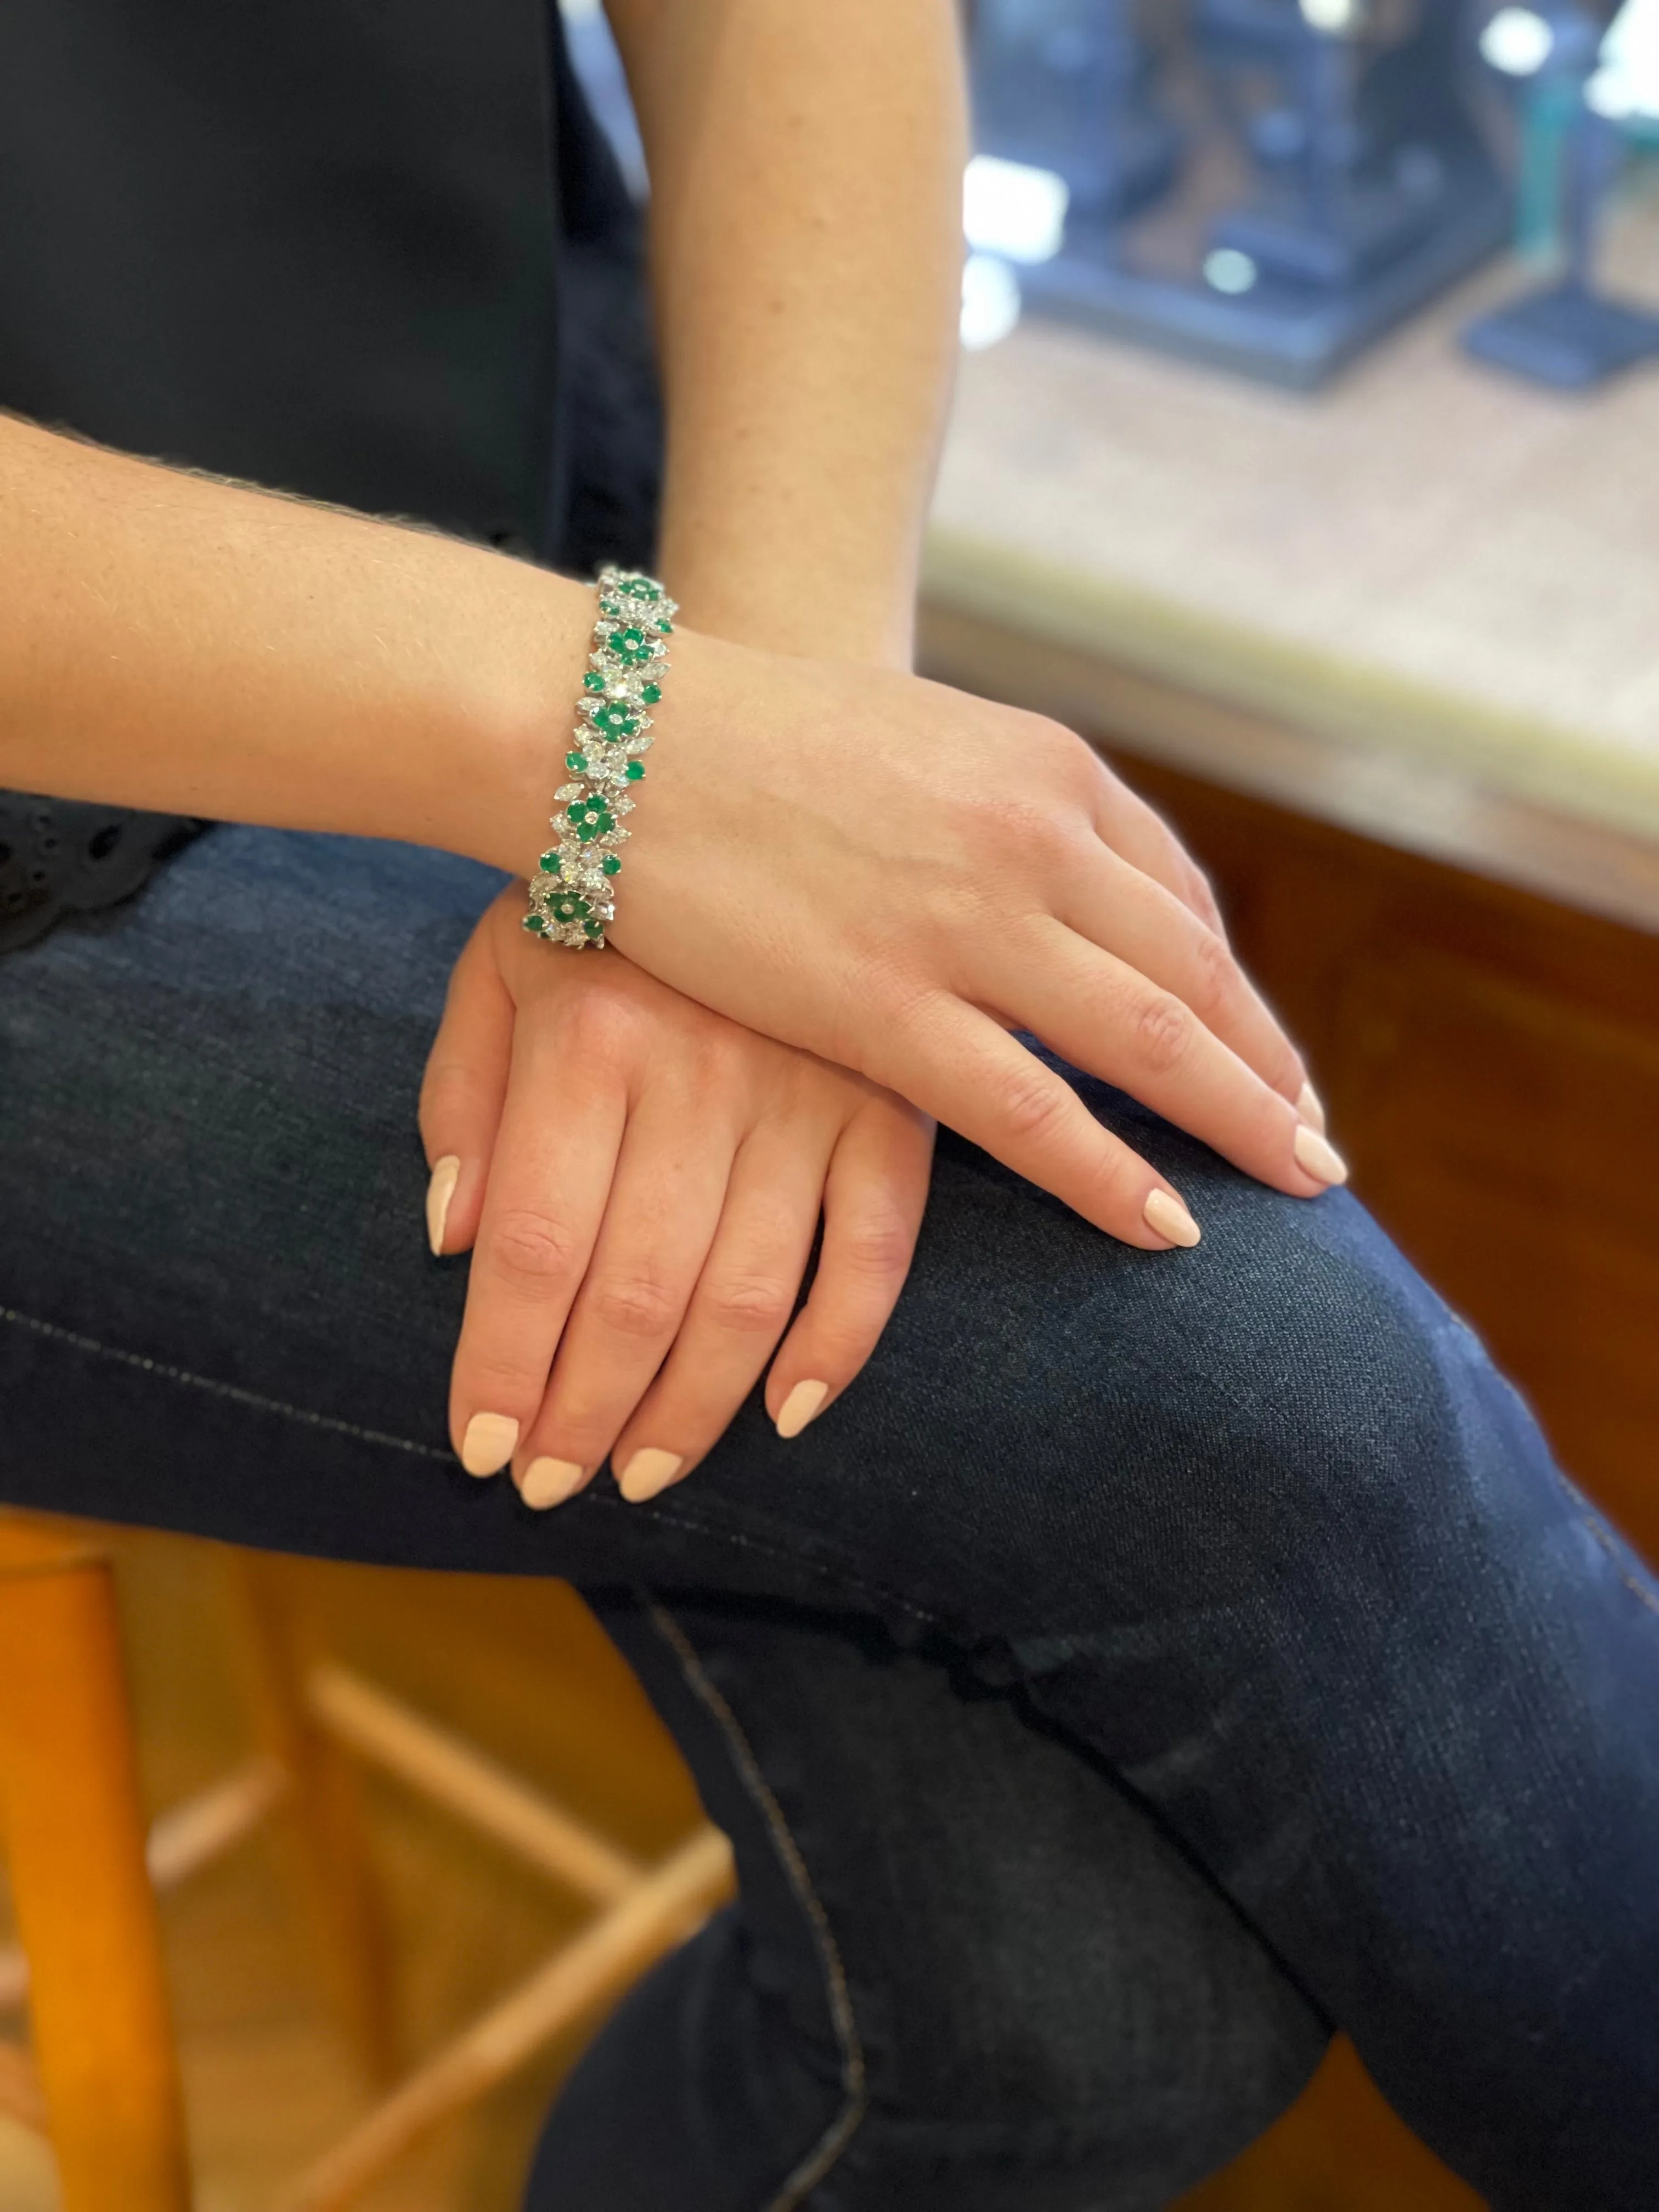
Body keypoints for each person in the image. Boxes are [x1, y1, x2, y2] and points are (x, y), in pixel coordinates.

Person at [0, 3, 1654, 2207]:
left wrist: (750, 716)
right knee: (1241, 1376)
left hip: (507, 467)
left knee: (1071, 2020)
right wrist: (632, 756)